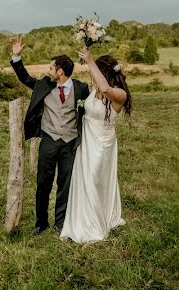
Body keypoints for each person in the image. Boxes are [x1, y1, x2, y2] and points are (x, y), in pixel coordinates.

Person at [10, 36, 90, 235]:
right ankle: (41, 223)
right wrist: (16, 57)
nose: (48, 70)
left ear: (60, 72)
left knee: (65, 183)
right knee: (43, 182)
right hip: (49, 141)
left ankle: (60, 223)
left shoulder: (81, 88)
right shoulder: (44, 84)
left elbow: (91, 108)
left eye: (51, 67)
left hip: (70, 143)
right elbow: (25, 78)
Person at [60, 48, 132, 243]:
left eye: (97, 72)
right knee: (83, 180)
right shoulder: (94, 91)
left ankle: (94, 225)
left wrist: (90, 61)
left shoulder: (119, 94)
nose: (94, 76)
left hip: (102, 144)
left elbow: (106, 89)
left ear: (105, 73)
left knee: (94, 180)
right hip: (86, 143)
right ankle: (80, 221)